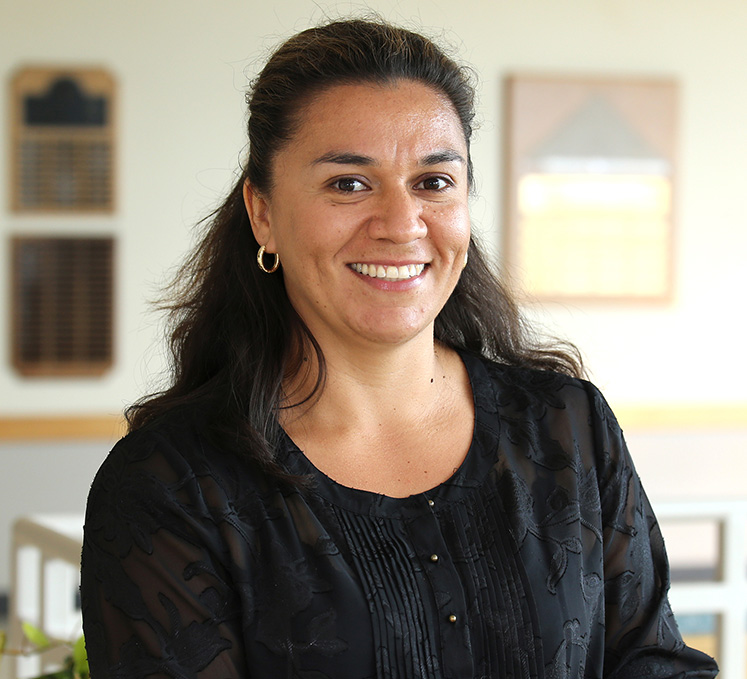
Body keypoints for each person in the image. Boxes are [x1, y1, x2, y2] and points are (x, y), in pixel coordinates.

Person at [80, 17, 718, 679]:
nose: (400, 223)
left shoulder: (568, 427)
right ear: (262, 212)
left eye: (433, 182)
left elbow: (653, 660)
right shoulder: (171, 484)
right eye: (348, 184)